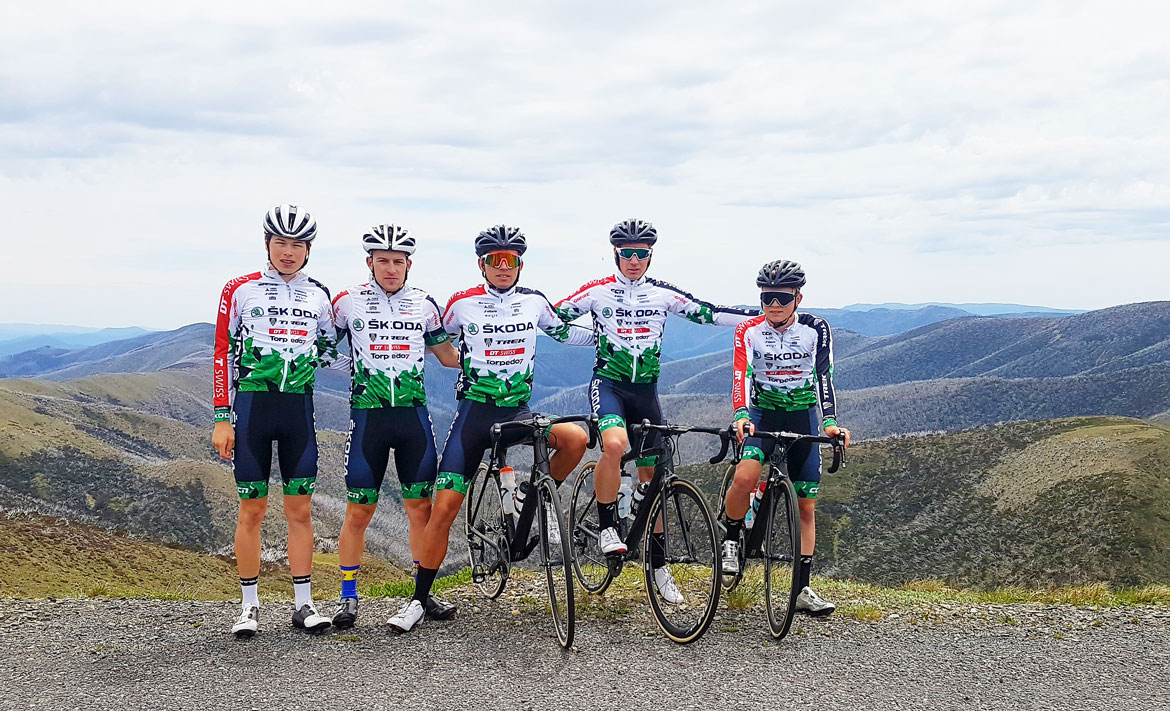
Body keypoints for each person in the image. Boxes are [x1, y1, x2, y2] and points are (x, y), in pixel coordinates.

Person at [386, 225, 593, 633]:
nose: (503, 266)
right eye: (494, 260)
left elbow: (565, 333)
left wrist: (614, 336)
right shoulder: (461, 303)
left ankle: (532, 495)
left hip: (518, 413)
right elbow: (433, 340)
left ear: (520, 265)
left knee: (577, 440)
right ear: (481, 264)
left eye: (510, 259)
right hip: (473, 418)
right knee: (443, 509)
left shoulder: (534, 302)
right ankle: (418, 600)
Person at [554, 218, 755, 603]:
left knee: (656, 478)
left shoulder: (662, 294)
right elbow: (552, 321)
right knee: (615, 446)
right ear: (616, 254)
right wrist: (592, 339)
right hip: (609, 386)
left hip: (646, 393)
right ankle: (608, 526)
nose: (634, 260)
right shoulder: (597, 291)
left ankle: (659, 567)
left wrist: (764, 317)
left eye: (641, 254)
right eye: (627, 253)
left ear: (650, 256)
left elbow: (708, 313)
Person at [212, 204, 340, 637]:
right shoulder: (239, 288)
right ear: (267, 244)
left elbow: (329, 347)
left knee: (299, 509)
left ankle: (304, 605)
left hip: (298, 410)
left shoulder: (319, 294)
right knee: (252, 509)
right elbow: (222, 353)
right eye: (280, 243)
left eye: (297, 245)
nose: (288, 252)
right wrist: (222, 417)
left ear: (308, 250)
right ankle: (249, 606)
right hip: (252, 409)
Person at [328, 224, 463, 629]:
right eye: (383, 260)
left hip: (412, 419)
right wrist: (356, 369)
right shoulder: (347, 302)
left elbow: (447, 355)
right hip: (368, 418)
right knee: (359, 510)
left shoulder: (424, 304)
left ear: (409, 265)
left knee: (421, 509)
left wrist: (492, 355)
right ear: (369, 262)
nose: (390, 268)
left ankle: (423, 594)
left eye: (398, 261)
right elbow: (319, 349)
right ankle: (348, 597)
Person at [720, 259, 851, 616]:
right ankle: (731, 539)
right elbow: (741, 373)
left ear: (798, 298)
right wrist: (741, 414)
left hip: (803, 416)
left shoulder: (815, 329)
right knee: (745, 477)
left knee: (805, 505)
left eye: (782, 298)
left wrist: (830, 423)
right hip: (762, 414)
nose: (774, 305)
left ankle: (802, 589)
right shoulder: (748, 330)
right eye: (767, 298)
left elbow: (824, 375)